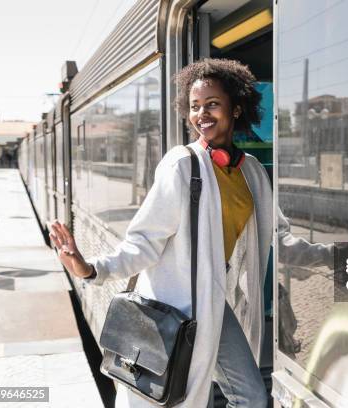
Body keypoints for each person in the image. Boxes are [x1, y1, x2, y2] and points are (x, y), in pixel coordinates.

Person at [50, 58, 272, 408]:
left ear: (237, 108)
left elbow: (280, 235)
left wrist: (339, 252)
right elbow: (144, 241)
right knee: (167, 398)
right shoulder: (182, 164)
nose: (202, 114)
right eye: (195, 107)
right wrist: (92, 268)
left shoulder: (253, 174)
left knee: (253, 397)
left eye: (213, 104)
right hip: (173, 312)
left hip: (214, 303)